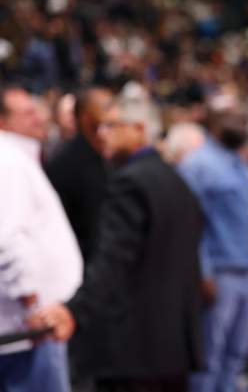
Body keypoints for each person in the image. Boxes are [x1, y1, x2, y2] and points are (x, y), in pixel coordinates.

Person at [29, 88, 204, 392]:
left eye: (112, 125)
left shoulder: (129, 182)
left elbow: (113, 261)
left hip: (134, 348)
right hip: (173, 345)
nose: (102, 133)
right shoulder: (175, 180)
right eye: (100, 125)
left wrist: (74, 311)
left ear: (139, 129)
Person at [179, 102, 248, 392]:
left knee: (238, 353)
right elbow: (190, 226)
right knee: (210, 356)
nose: (241, 124)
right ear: (215, 123)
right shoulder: (197, 165)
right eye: (233, 118)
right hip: (219, 272)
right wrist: (202, 271)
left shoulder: (240, 161)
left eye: (242, 118)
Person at [0, 85, 82, 392]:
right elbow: (7, 240)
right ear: (3, 121)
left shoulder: (15, 157)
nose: (39, 118)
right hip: (27, 330)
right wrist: (32, 305)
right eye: (27, 113)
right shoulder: (8, 161)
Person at [45, 86, 113, 263]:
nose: (115, 113)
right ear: (86, 117)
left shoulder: (108, 156)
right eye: (107, 107)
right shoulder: (65, 162)